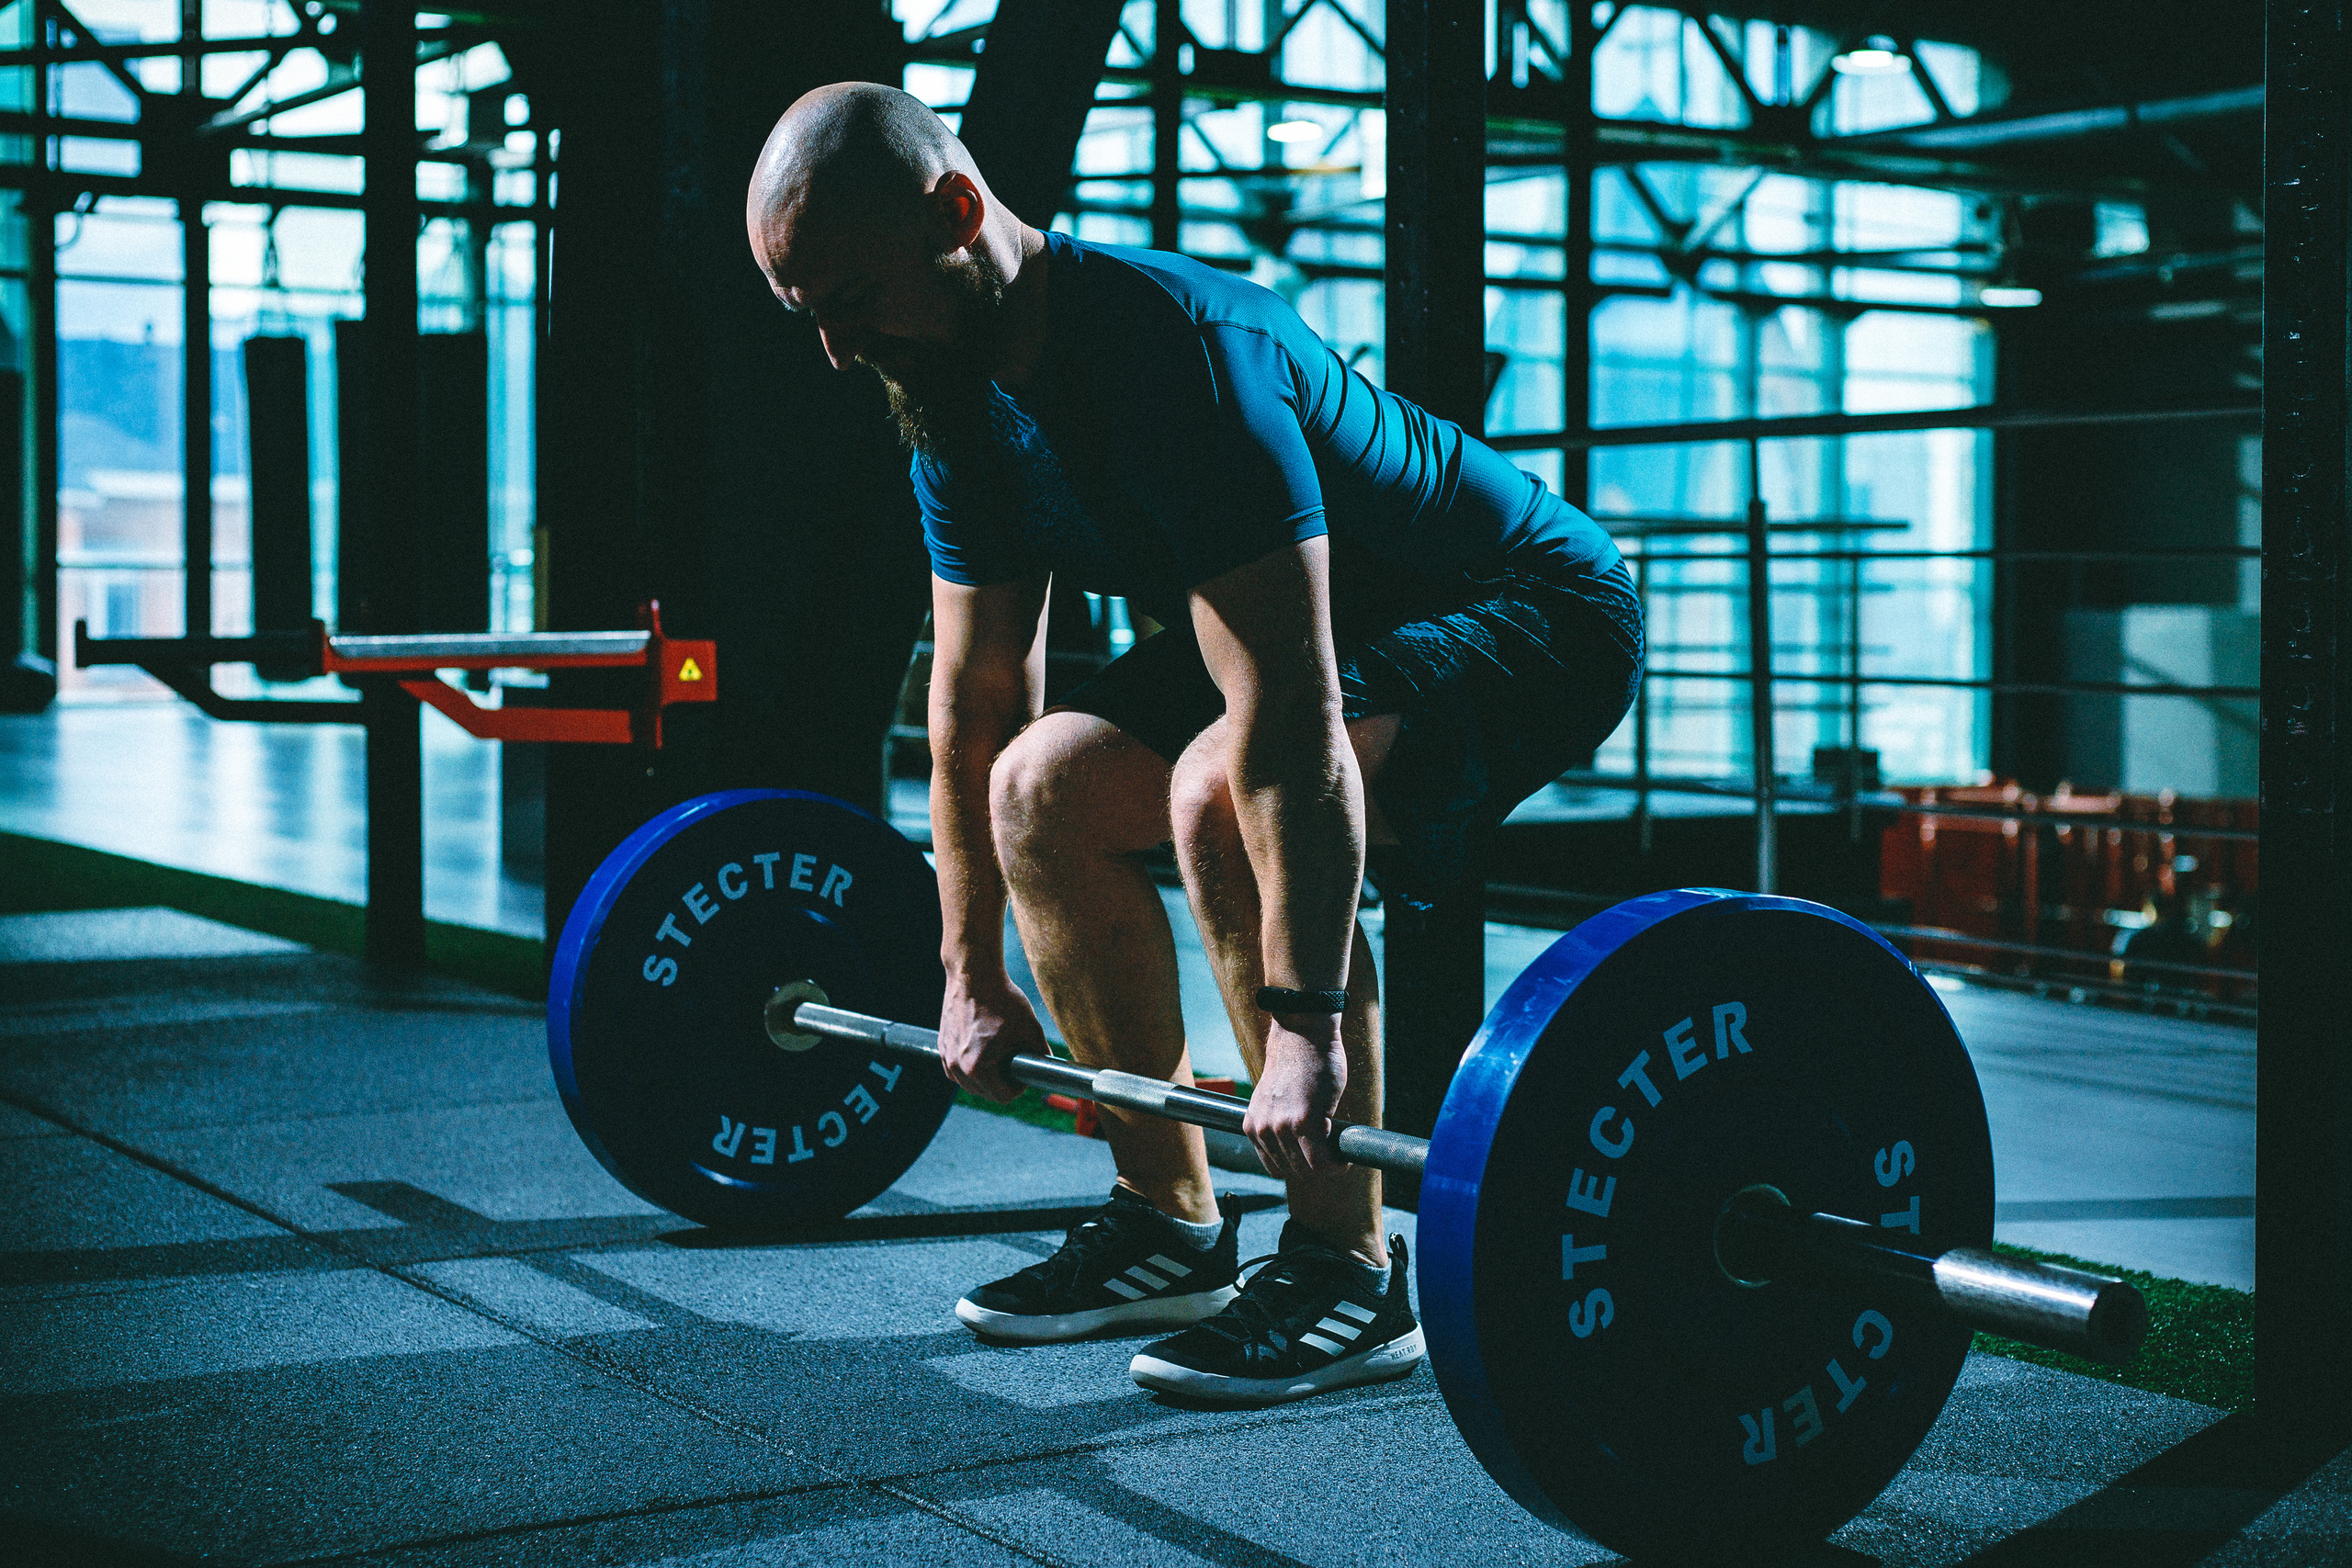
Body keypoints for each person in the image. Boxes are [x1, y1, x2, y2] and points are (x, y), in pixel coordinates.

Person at [746, 83, 1641, 1404]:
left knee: (1221, 786)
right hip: (1323, 620)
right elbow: (974, 695)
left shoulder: (1173, 356)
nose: (836, 349)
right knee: (1036, 781)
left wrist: (1303, 1035)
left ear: (957, 211)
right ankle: (1168, 1222)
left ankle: (1349, 1265)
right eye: (807, 315)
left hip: (1532, 610)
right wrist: (966, 969)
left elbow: (1283, 718)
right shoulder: (948, 389)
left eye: (855, 300)